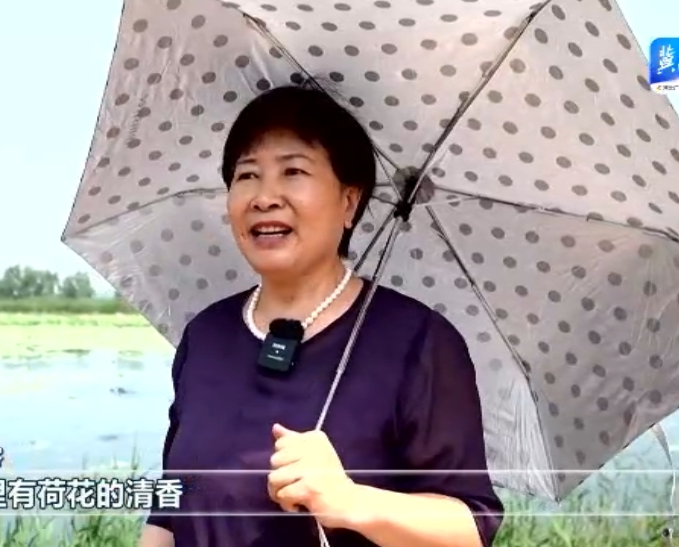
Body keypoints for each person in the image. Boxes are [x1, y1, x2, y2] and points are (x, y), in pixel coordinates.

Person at [138, 85, 503, 547]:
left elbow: (471, 527)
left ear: (349, 201)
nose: (264, 197)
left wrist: (349, 500)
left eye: (293, 171)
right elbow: (171, 511)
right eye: (247, 175)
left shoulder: (419, 342)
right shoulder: (207, 334)